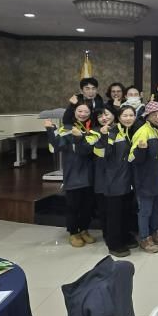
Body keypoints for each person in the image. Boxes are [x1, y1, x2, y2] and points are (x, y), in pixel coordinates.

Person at [45, 103, 96, 248]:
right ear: (74, 112)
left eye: (86, 112)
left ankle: (84, 229)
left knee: (87, 206)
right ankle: (73, 232)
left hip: (90, 174)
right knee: (73, 206)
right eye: (80, 111)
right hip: (73, 174)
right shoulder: (66, 129)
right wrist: (50, 130)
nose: (83, 114)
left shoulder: (92, 129)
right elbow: (56, 146)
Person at [94, 105, 138, 257]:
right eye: (125, 115)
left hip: (127, 179)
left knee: (125, 211)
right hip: (113, 179)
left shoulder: (128, 131)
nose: (128, 118)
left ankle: (124, 237)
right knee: (114, 213)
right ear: (119, 117)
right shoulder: (111, 132)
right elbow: (101, 153)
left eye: (131, 115)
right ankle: (114, 244)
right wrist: (104, 137)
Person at [128, 101, 158, 253]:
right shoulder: (143, 131)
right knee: (145, 211)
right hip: (145, 181)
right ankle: (144, 238)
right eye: (154, 114)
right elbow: (132, 158)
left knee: (157, 208)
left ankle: (155, 233)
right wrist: (140, 149)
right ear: (147, 117)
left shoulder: (157, 131)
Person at [89, 108, 115, 244]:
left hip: (120, 175)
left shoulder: (120, 129)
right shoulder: (94, 132)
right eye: (100, 116)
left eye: (106, 114)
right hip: (102, 173)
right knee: (104, 207)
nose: (104, 118)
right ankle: (107, 234)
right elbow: (99, 152)